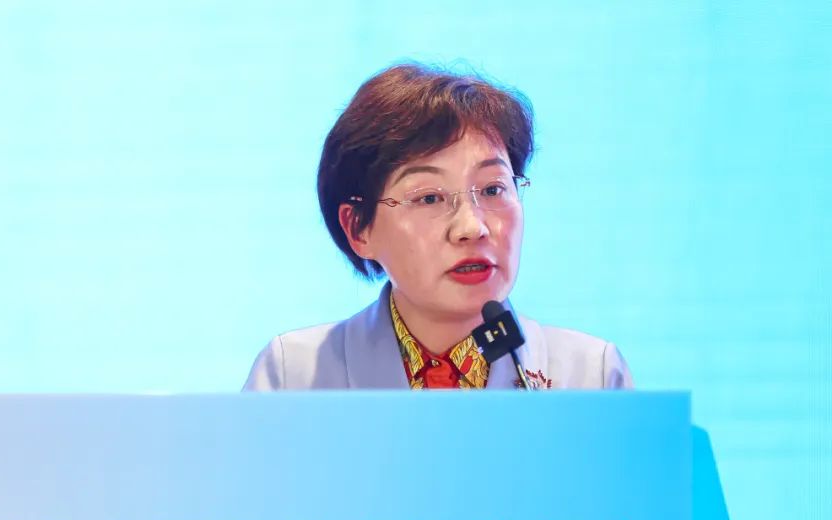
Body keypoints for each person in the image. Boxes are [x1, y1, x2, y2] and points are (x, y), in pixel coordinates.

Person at [243, 63, 632, 391]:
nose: (472, 227)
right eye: (429, 198)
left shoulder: (592, 377)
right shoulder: (294, 378)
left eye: (493, 189)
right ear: (359, 228)